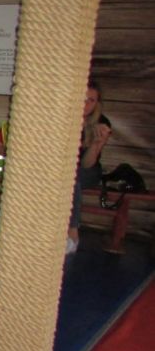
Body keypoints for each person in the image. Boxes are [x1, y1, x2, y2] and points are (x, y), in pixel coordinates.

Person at [67, 80, 111, 254]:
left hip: (88, 170)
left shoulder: (101, 122)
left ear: (97, 103)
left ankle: (72, 231)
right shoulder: (67, 118)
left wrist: (97, 143)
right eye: (83, 98)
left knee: (74, 178)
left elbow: (87, 164)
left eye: (91, 100)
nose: (86, 104)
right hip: (66, 171)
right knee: (70, 177)